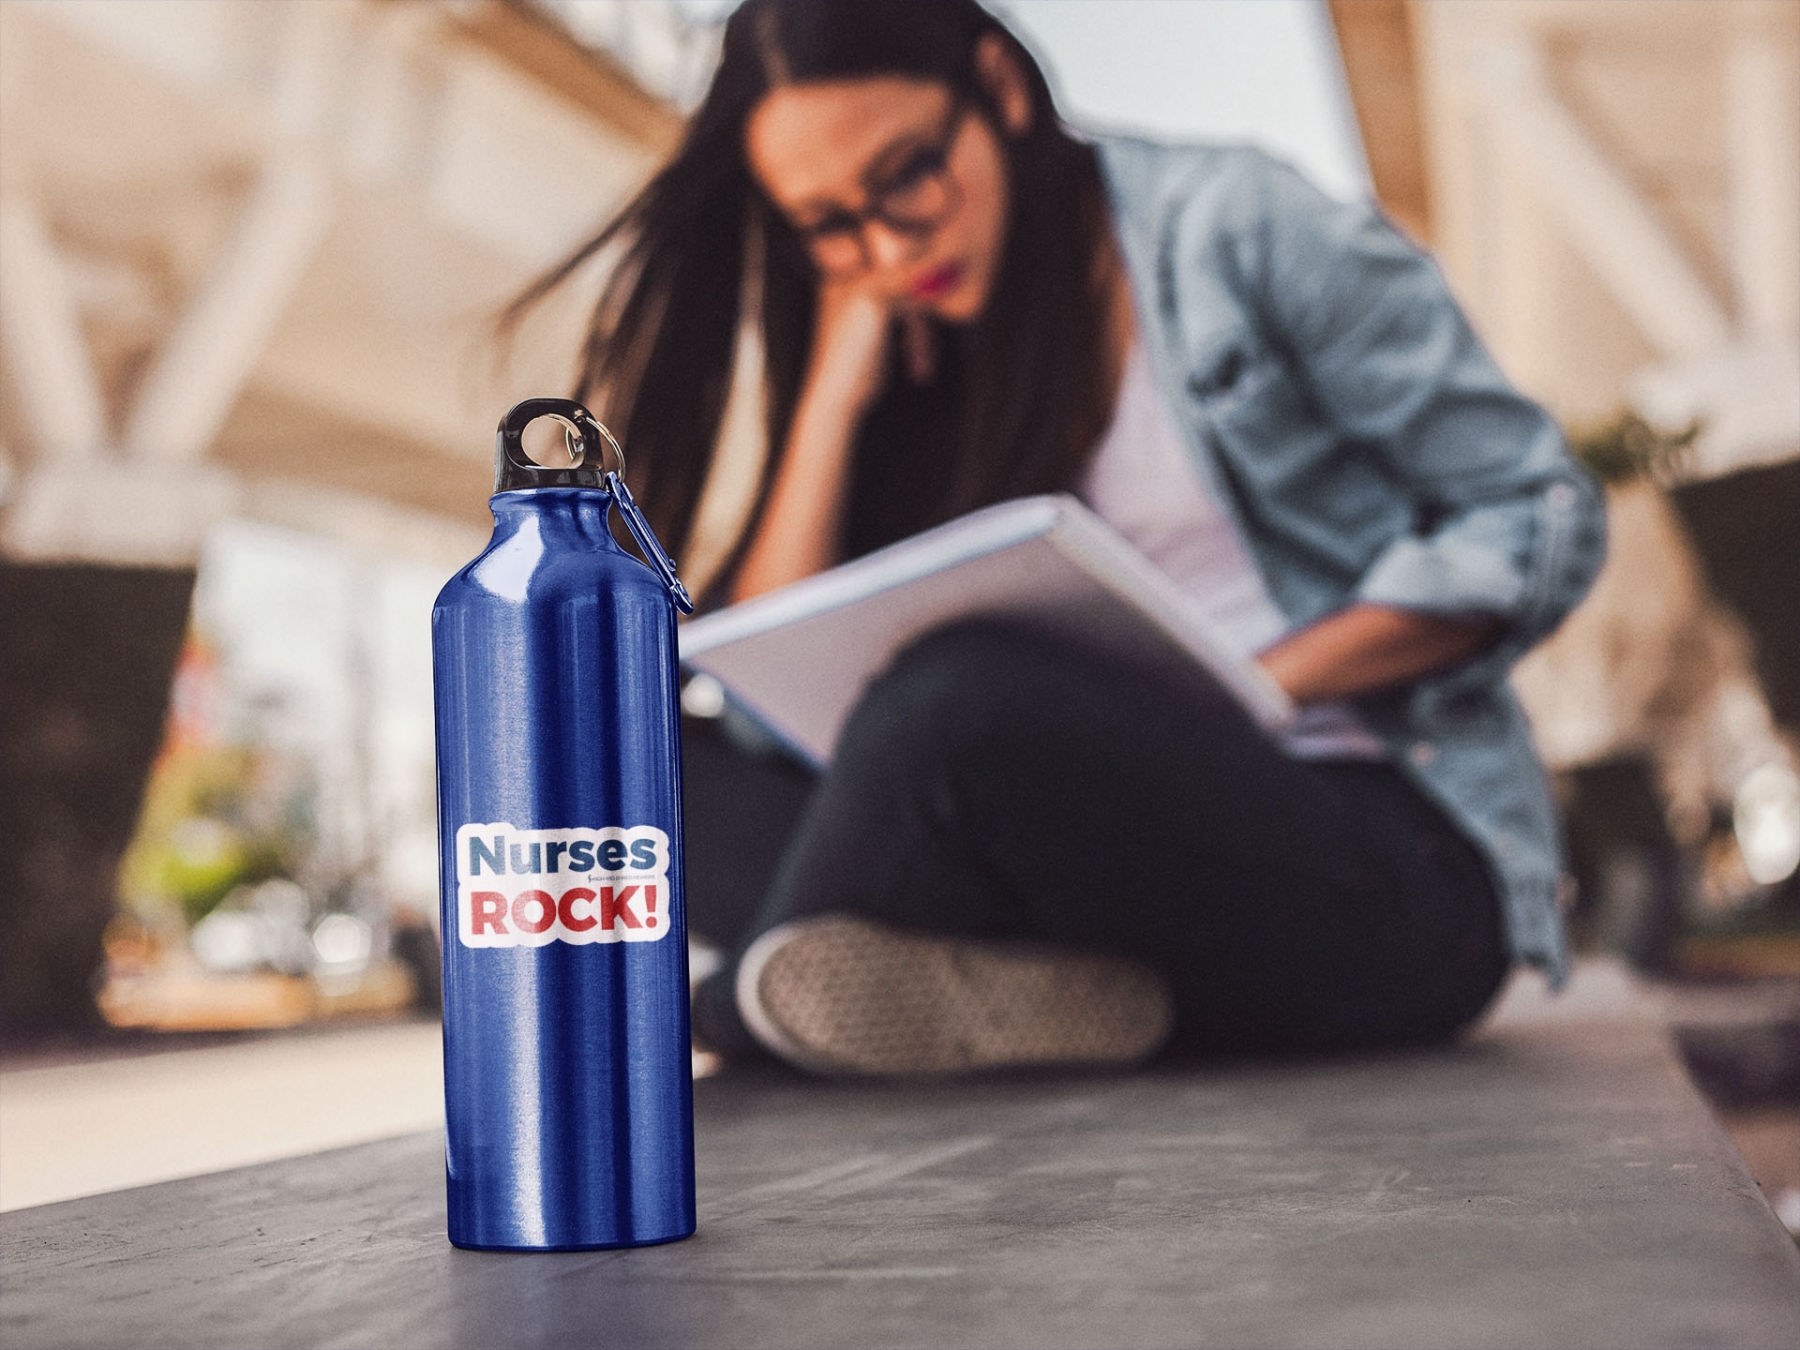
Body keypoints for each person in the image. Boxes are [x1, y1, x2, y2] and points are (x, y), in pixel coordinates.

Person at [513, 0, 1605, 1075]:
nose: (889, 245)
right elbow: (762, 701)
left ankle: (736, 1011)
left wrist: (1254, 682)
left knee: (958, 700)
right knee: (626, 762)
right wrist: (833, 402)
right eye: (832, 225)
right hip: (1092, 878)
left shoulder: (1234, 226)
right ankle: (972, 993)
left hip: (1381, 870)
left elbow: (1533, 509)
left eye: (906, 177)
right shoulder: (907, 334)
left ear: (999, 85)